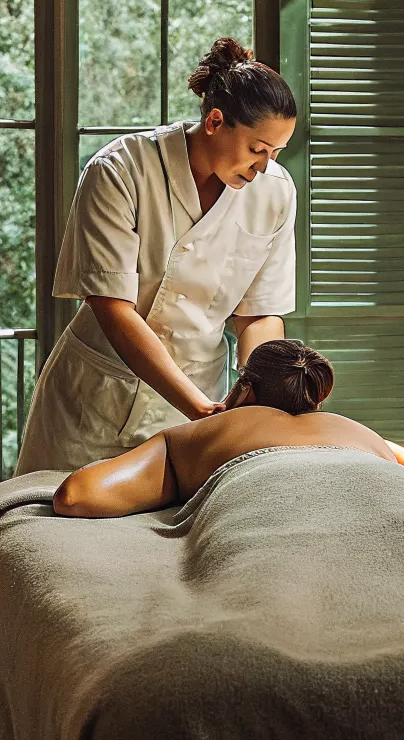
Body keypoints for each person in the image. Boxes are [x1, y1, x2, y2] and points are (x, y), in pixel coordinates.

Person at [16, 39, 301, 474]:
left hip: (201, 403)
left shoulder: (275, 192)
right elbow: (112, 307)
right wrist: (199, 409)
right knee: (57, 520)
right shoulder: (121, 170)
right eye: (257, 149)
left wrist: (256, 393)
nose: (264, 166)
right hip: (95, 401)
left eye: (275, 153)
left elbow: (258, 314)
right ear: (215, 121)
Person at [53, 340, 404, 516]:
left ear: (245, 389)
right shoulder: (359, 437)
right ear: (317, 398)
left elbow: (76, 496)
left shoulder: (197, 436)